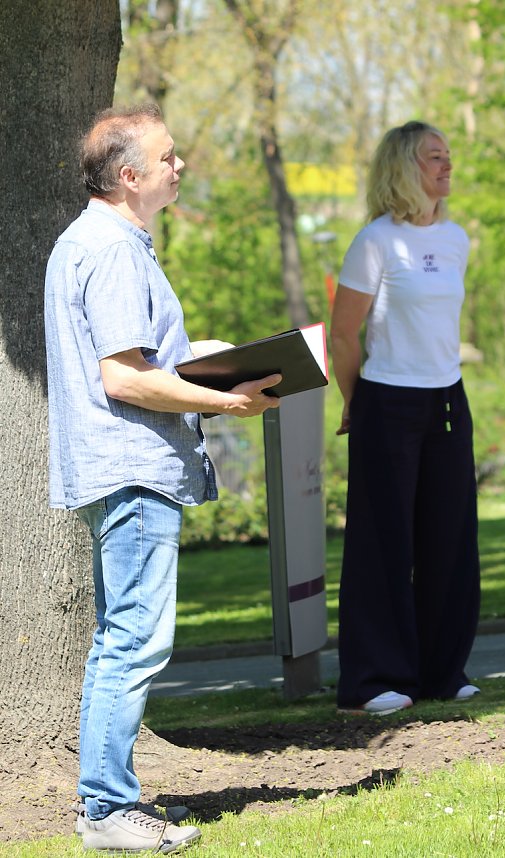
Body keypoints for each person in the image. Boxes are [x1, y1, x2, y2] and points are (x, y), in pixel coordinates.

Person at [44, 103, 281, 853]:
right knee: (133, 642)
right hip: (132, 467)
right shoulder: (111, 248)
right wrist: (223, 398)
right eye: (169, 157)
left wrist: (213, 362)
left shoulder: (97, 241)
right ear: (130, 175)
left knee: (122, 637)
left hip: (117, 467)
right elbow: (124, 378)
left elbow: (143, 360)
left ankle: (104, 803)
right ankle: (108, 809)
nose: (181, 166)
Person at [330, 120, 481, 716]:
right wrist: (353, 401)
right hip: (387, 401)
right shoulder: (375, 241)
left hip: (447, 400)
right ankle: (375, 679)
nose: (447, 166)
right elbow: (344, 334)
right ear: (403, 167)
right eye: (434, 158)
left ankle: (444, 671)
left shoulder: (457, 239)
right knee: (382, 542)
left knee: (450, 538)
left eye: (448, 156)